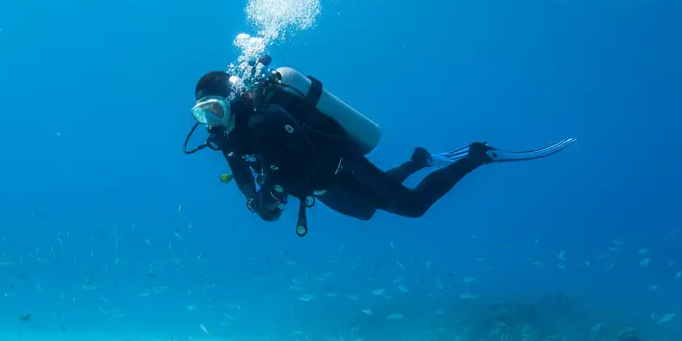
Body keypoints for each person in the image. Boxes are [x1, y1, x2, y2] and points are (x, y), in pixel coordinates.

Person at [185, 62, 575, 236]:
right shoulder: (228, 134)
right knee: (369, 210)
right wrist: (256, 199)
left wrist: (276, 186)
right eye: (203, 115)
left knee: (413, 208)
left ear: (233, 98)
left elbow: (305, 158)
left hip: (339, 162)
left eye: (215, 109)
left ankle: (476, 157)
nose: (212, 122)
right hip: (319, 186)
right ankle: (417, 162)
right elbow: (238, 167)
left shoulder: (267, 116)